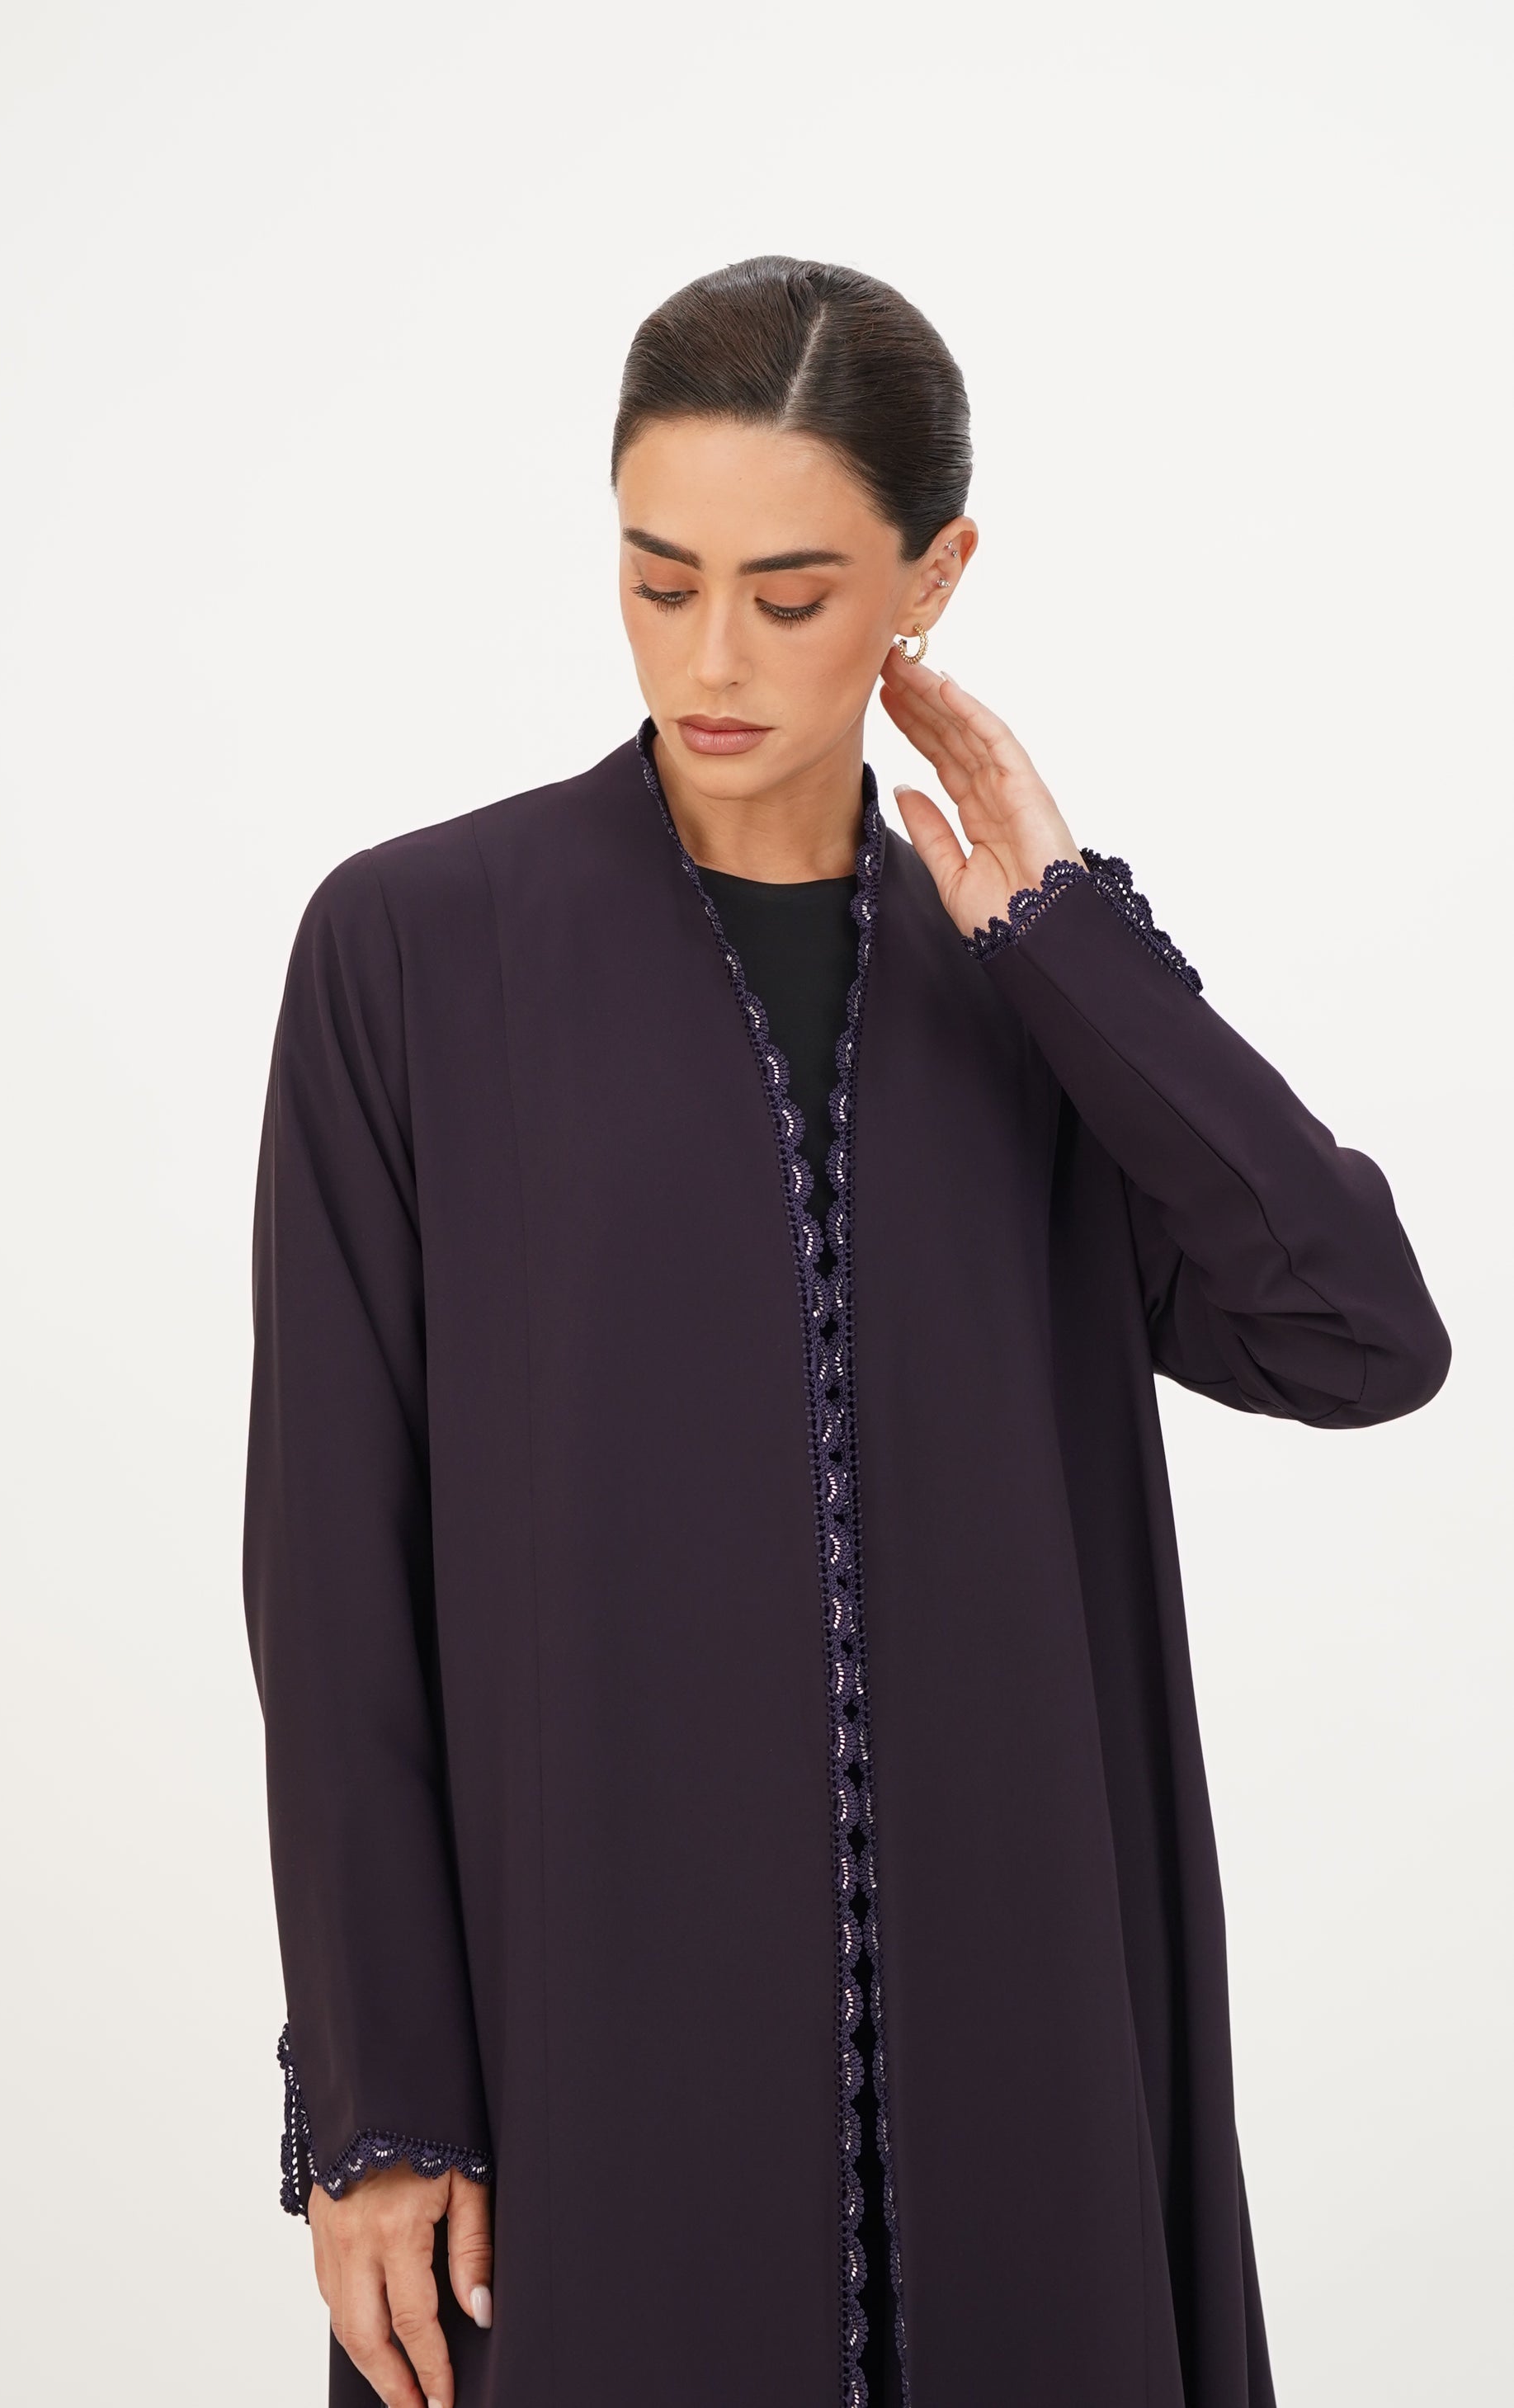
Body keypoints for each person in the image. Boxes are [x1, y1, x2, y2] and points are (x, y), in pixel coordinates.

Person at [243, 255, 1450, 2408]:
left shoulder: (1029, 996)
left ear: (930, 579)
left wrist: (1082, 949)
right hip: (588, 2058)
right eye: (659, 579)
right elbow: (331, 1571)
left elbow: (1356, 1337)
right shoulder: (418, 952)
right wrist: (375, 2103)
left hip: (1026, 2058)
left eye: (790, 595)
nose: (711, 657)